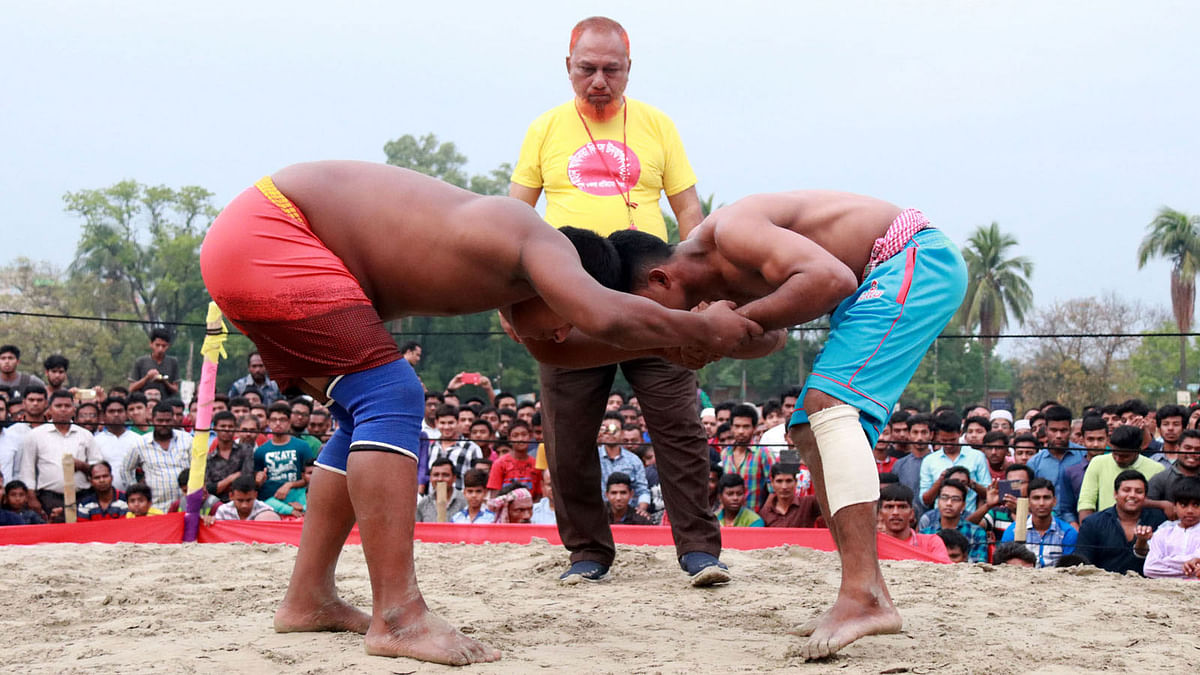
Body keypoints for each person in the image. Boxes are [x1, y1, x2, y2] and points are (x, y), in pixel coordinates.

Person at [199, 160, 754, 665]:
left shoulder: (511, 274)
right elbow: (603, 319)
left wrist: (671, 344)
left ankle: (308, 598)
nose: (562, 333)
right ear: (565, 281)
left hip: (259, 237)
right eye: (568, 311)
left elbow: (574, 338)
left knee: (359, 412)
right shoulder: (535, 238)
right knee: (391, 397)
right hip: (275, 233)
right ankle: (398, 617)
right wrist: (706, 328)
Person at [509, 16, 732, 589]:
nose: (599, 81)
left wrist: (699, 291)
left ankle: (700, 552)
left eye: (611, 69)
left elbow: (689, 213)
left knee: (678, 424)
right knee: (567, 432)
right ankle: (587, 551)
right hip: (569, 299)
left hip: (649, 294)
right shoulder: (544, 129)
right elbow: (512, 218)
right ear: (568, 67)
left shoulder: (658, 126)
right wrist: (510, 298)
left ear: (629, 69)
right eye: (587, 69)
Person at [18, 390, 101, 519]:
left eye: (67, 406)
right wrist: (32, 498)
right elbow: (27, 470)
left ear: (74, 409)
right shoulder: (36, 435)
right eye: (58, 406)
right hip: (49, 497)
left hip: (82, 496)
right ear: (50, 409)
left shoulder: (85, 435)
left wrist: (83, 466)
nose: (63, 410)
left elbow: (98, 467)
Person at [1076, 470, 1167, 575]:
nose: (1132, 495)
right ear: (1115, 494)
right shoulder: (1092, 523)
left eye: (1139, 491)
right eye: (1126, 490)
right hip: (1103, 586)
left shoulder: (1159, 521)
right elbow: (1083, 562)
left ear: (1145, 497)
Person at [1077, 425, 1165, 521]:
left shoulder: (1156, 469)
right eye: (1114, 454)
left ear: (1138, 451)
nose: (1118, 459)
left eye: (1124, 456)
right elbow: (1086, 502)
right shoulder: (1098, 463)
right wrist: (1087, 528)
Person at [122, 402, 191, 512]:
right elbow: (125, 470)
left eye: (168, 421)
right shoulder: (140, 443)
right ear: (152, 420)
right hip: (155, 508)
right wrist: (137, 492)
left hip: (185, 507)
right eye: (160, 421)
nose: (164, 424)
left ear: (173, 420)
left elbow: (199, 469)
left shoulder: (187, 439)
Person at [999, 478, 1077, 567]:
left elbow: (1069, 568)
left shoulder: (1067, 532)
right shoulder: (1013, 531)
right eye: (1036, 498)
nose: (1041, 503)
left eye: (1046, 498)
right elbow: (1004, 566)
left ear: (1054, 501)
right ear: (1028, 502)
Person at [254, 402, 314, 516]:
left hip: (298, 501)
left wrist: (289, 485)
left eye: (282, 420)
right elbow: (257, 482)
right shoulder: (260, 451)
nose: (278, 423)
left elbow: (310, 476)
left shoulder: (302, 446)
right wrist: (258, 481)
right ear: (268, 422)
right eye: (273, 420)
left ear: (289, 421)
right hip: (270, 503)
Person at [876, 483, 951, 562]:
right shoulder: (874, 545)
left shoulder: (931, 542)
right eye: (889, 507)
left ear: (912, 513)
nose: (895, 512)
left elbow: (944, 569)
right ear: (880, 513)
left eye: (902, 507)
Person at [917, 479, 988, 562]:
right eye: (944, 498)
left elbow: (978, 565)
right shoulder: (925, 534)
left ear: (963, 505)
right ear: (938, 502)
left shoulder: (977, 533)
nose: (949, 503)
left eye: (955, 499)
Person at [1143, 477, 1200, 579]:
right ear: (1174, 506)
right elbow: (1149, 568)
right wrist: (1188, 567)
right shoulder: (1163, 532)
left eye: (1196, 505)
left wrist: (1166, 561)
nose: (1190, 510)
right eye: (1184, 505)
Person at [1146, 428, 1200, 520]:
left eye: (1198, 449)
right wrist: (1162, 505)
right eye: (1188, 448)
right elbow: (1142, 501)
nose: (1192, 452)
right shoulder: (1162, 477)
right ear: (1177, 448)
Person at [92, 397, 142, 492]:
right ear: (104, 416)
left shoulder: (138, 439)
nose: (116, 414)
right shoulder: (95, 441)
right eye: (111, 411)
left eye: (120, 411)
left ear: (126, 414)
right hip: (103, 494)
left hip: (134, 494)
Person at [205, 410, 255, 502]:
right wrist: (229, 479)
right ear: (215, 428)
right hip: (217, 505)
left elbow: (247, 480)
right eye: (223, 426)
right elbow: (209, 489)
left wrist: (219, 486)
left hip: (242, 501)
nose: (227, 429)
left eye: (230, 426)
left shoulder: (245, 450)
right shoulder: (209, 458)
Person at [758, 465, 823, 528]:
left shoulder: (809, 503)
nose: (784, 486)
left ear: (796, 482)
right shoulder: (765, 513)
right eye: (779, 481)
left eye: (788, 481)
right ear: (772, 482)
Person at [127, 328, 180, 397]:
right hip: (144, 402)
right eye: (157, 345)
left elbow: (175, 389)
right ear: (151, 344)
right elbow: (131, 388)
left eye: (164, 346)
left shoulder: (173, 362)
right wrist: (147, 377)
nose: (160, 349)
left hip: (165, 403)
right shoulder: (140, 362)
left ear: (168, 346)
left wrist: (164, 381)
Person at [416, 458, 467, 523]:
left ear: (454, 478)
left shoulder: (465, 502)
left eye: (445, 475)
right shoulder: (423, 504)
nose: (440, 479)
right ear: (430, 478)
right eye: (436, 475)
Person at [214, 475, 281, 521]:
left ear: (255, 495)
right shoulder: (223, 511)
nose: (244, 505)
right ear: (231, 496)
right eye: (240, 500)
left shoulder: (265, 510)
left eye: (249, 500)